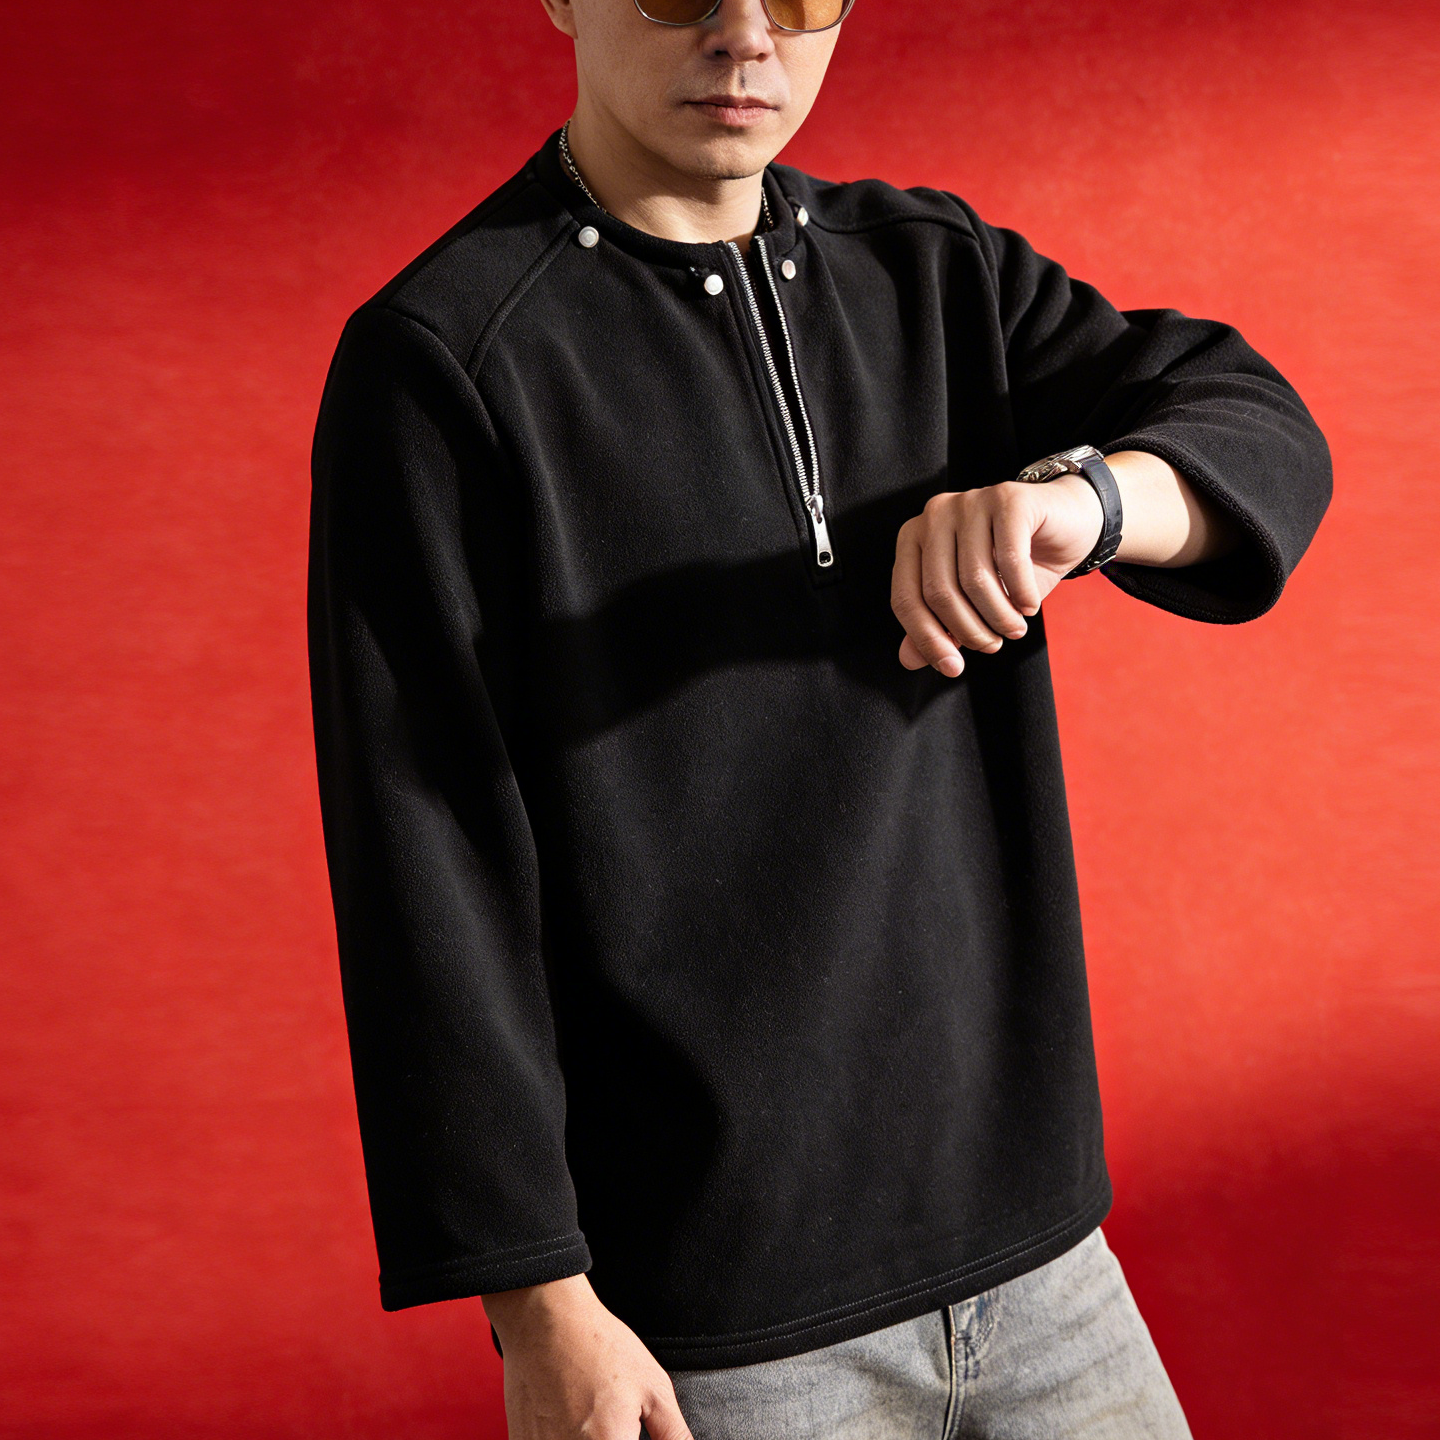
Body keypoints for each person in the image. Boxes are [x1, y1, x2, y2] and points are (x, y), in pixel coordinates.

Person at [305, 0, 1332, 1435]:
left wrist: (1084, 504)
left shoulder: (934, 269)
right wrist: (539, 1306)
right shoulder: (442, 362)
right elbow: (426, 861)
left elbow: (1256, 421)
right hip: (725, 1332)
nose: (746, 35)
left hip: (1044, 1265)